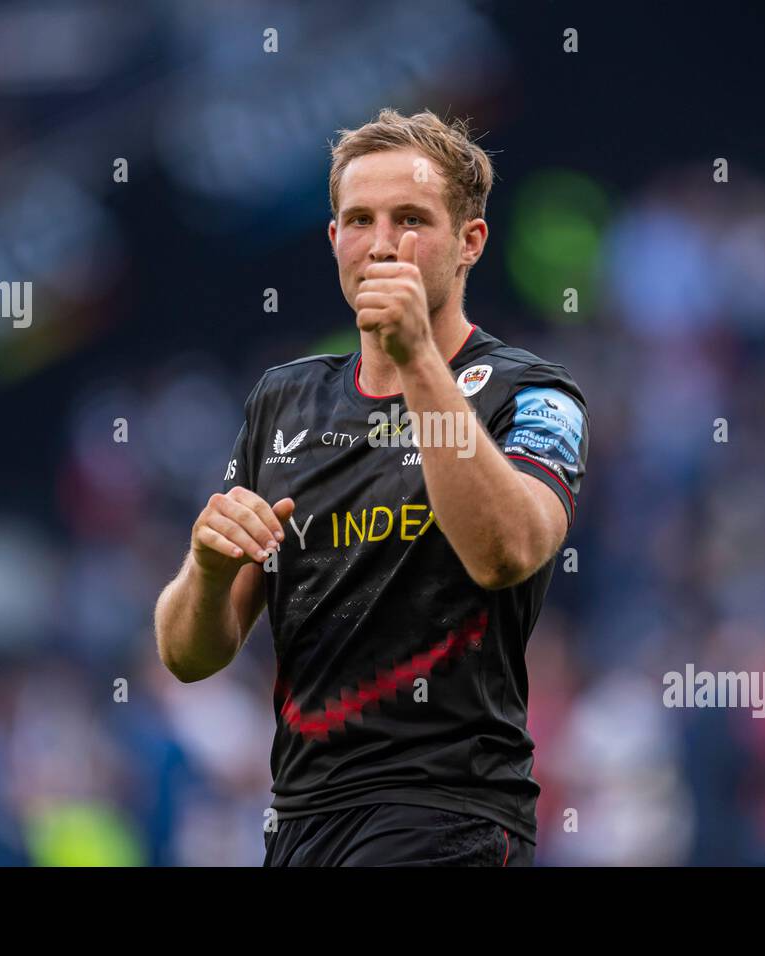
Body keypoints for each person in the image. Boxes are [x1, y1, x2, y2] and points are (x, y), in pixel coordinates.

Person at [153, 109, 589, 866]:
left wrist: (418, 356)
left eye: (412, 219)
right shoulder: (284, 400)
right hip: (298, 820)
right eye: (360, 220)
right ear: (334, 241)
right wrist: (208, 564)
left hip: (447, 812)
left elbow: (506, 551)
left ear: (470, 243)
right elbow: (189, 655)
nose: (383, 243)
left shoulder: (536, 395)